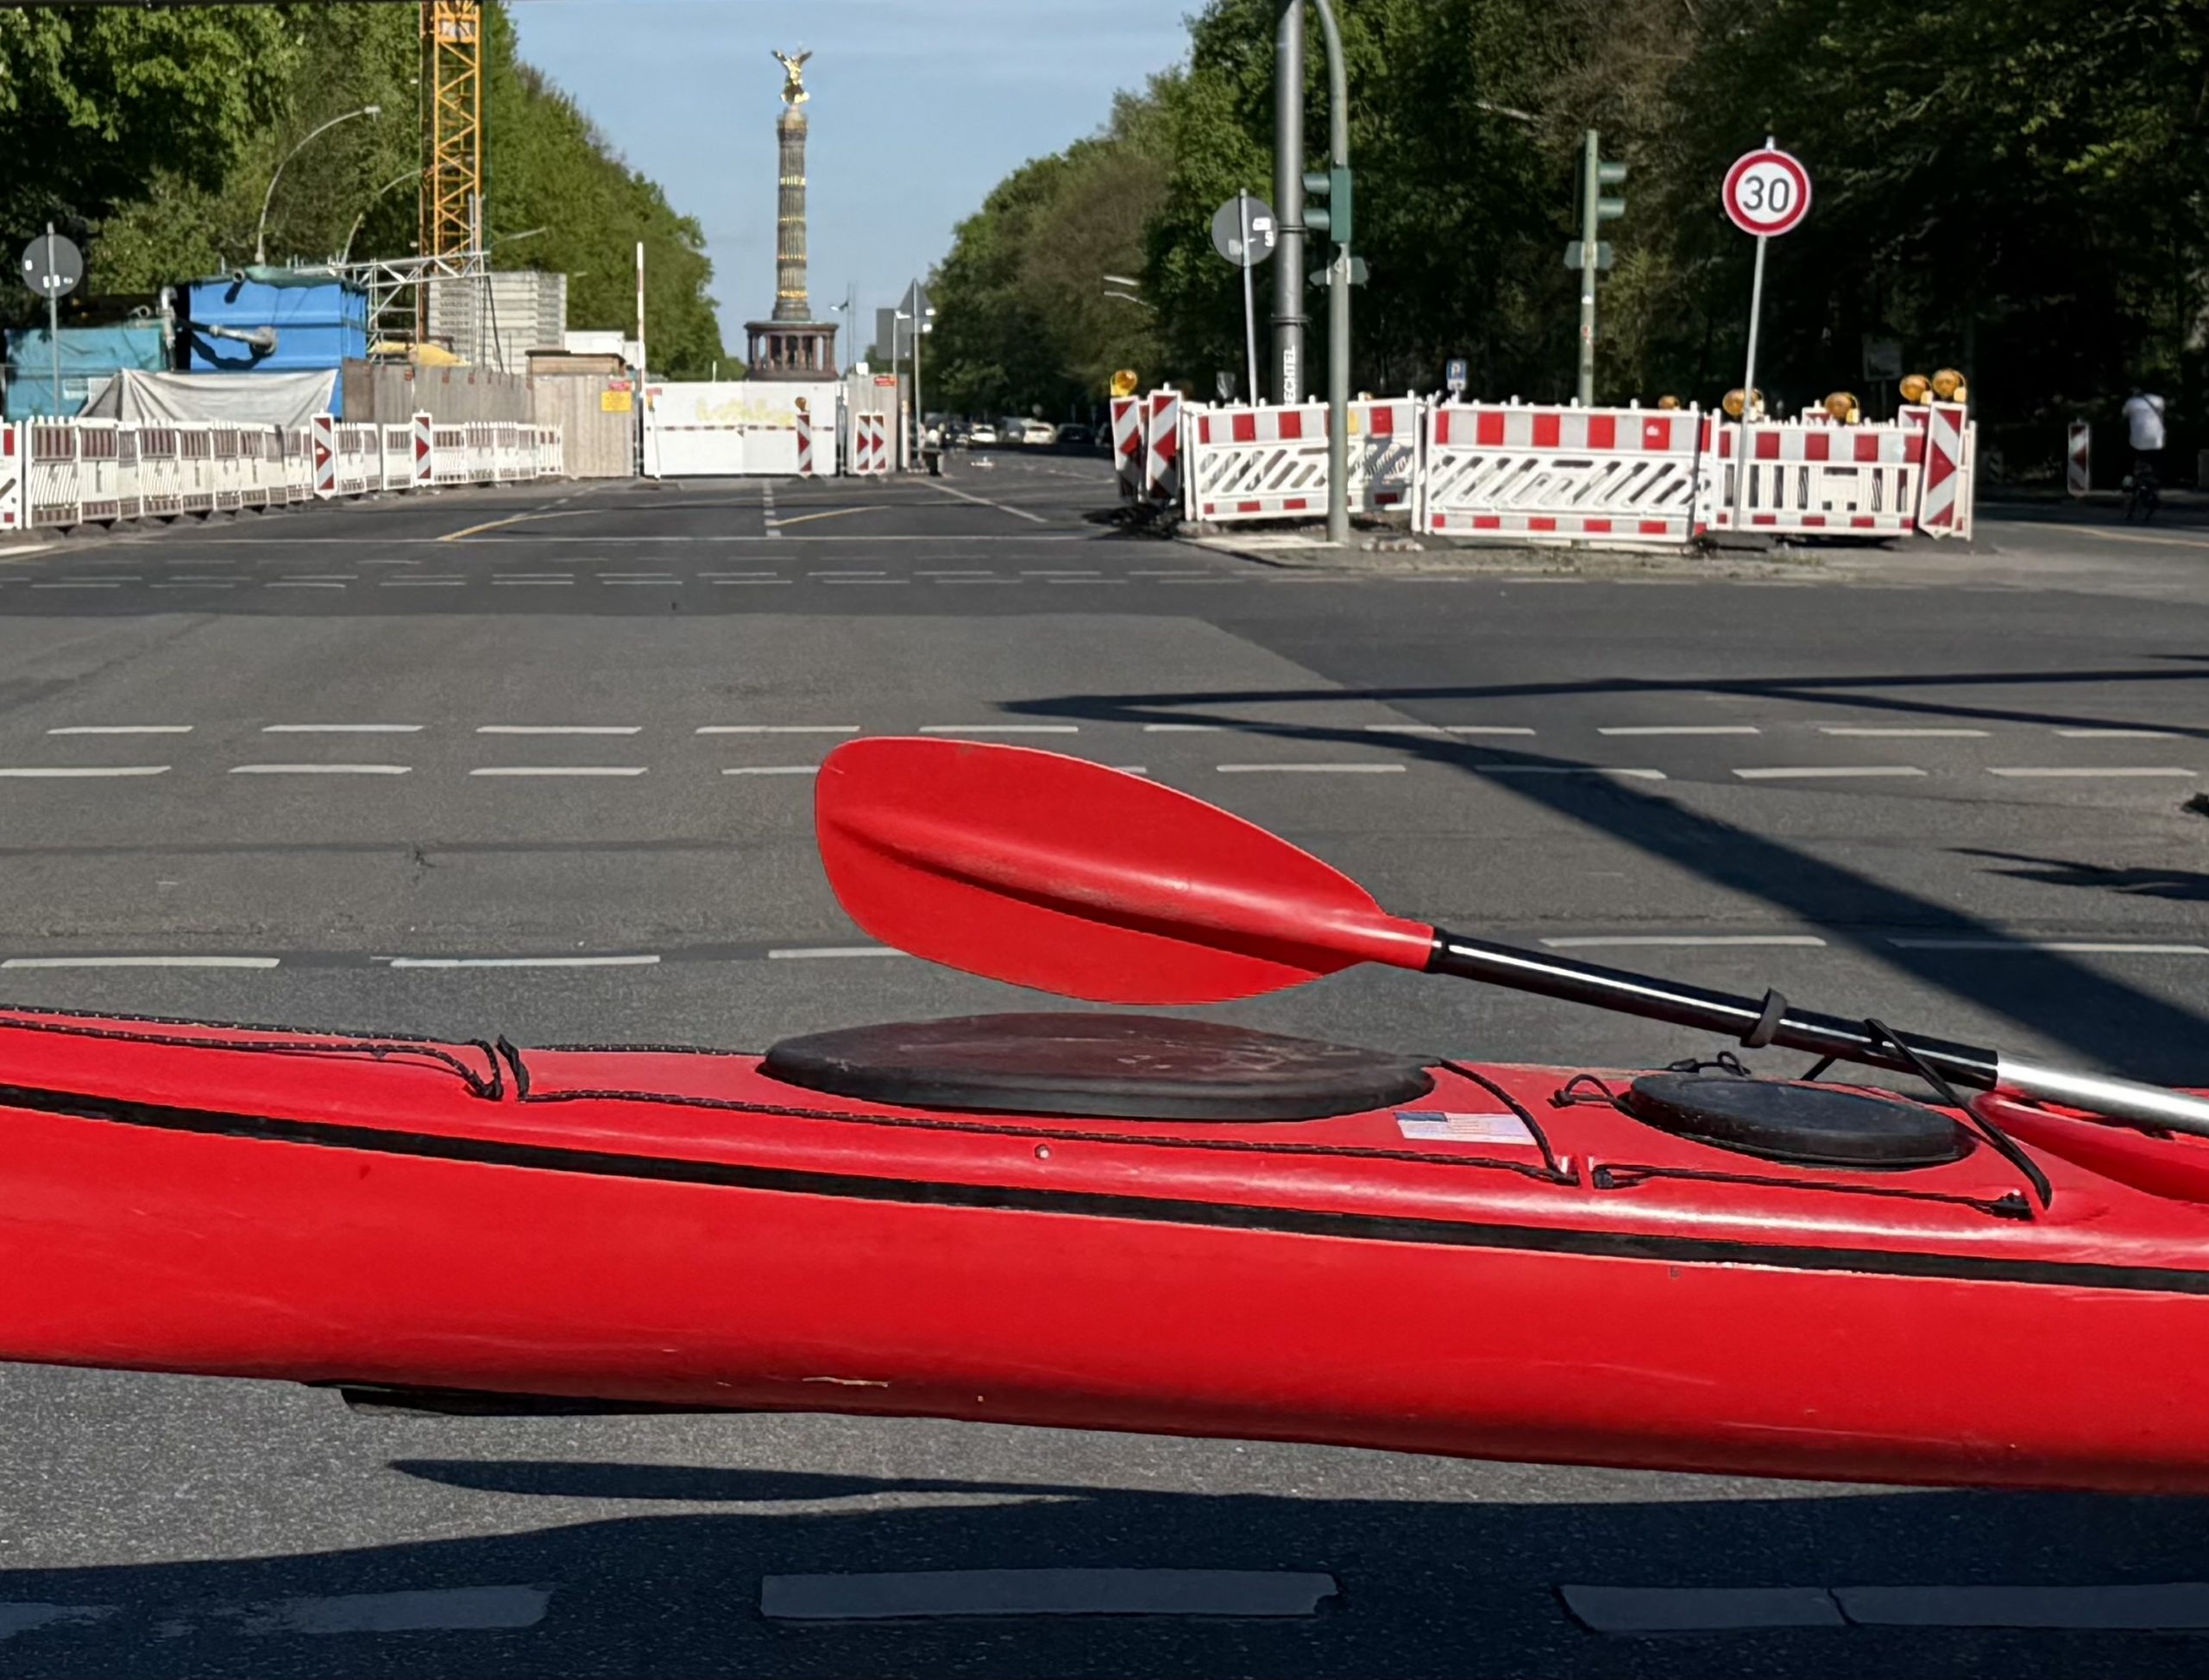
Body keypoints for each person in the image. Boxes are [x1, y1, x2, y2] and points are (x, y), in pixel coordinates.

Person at [2123, 388, 2167, 487]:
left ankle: (2127, 484)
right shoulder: (2159, 400)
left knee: (2129, 461)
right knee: (2156, 459)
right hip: (2157, 440)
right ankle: (2157, 479)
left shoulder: (2131, 402)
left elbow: (2124, 415)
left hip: (2136, 441)